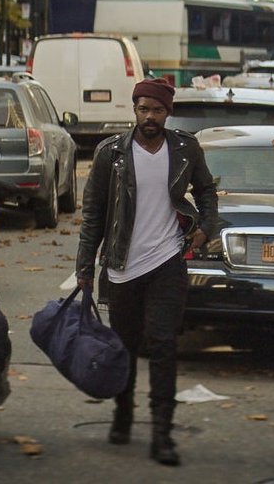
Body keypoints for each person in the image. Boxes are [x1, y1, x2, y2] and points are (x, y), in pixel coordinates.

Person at [74, 77, 218, 467]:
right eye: (142, 109)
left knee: (163, 345)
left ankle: (161, 434)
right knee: (125, 346)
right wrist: (84, 268)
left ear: (167, 112)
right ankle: (123, 413)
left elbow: (207, 191)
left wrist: (205, 228)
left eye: (156, 110)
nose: (148, 117)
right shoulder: (111, 153)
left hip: (168, 262)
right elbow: (93, 215)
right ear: (134, 110)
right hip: (123, 266)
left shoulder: (185, 148)